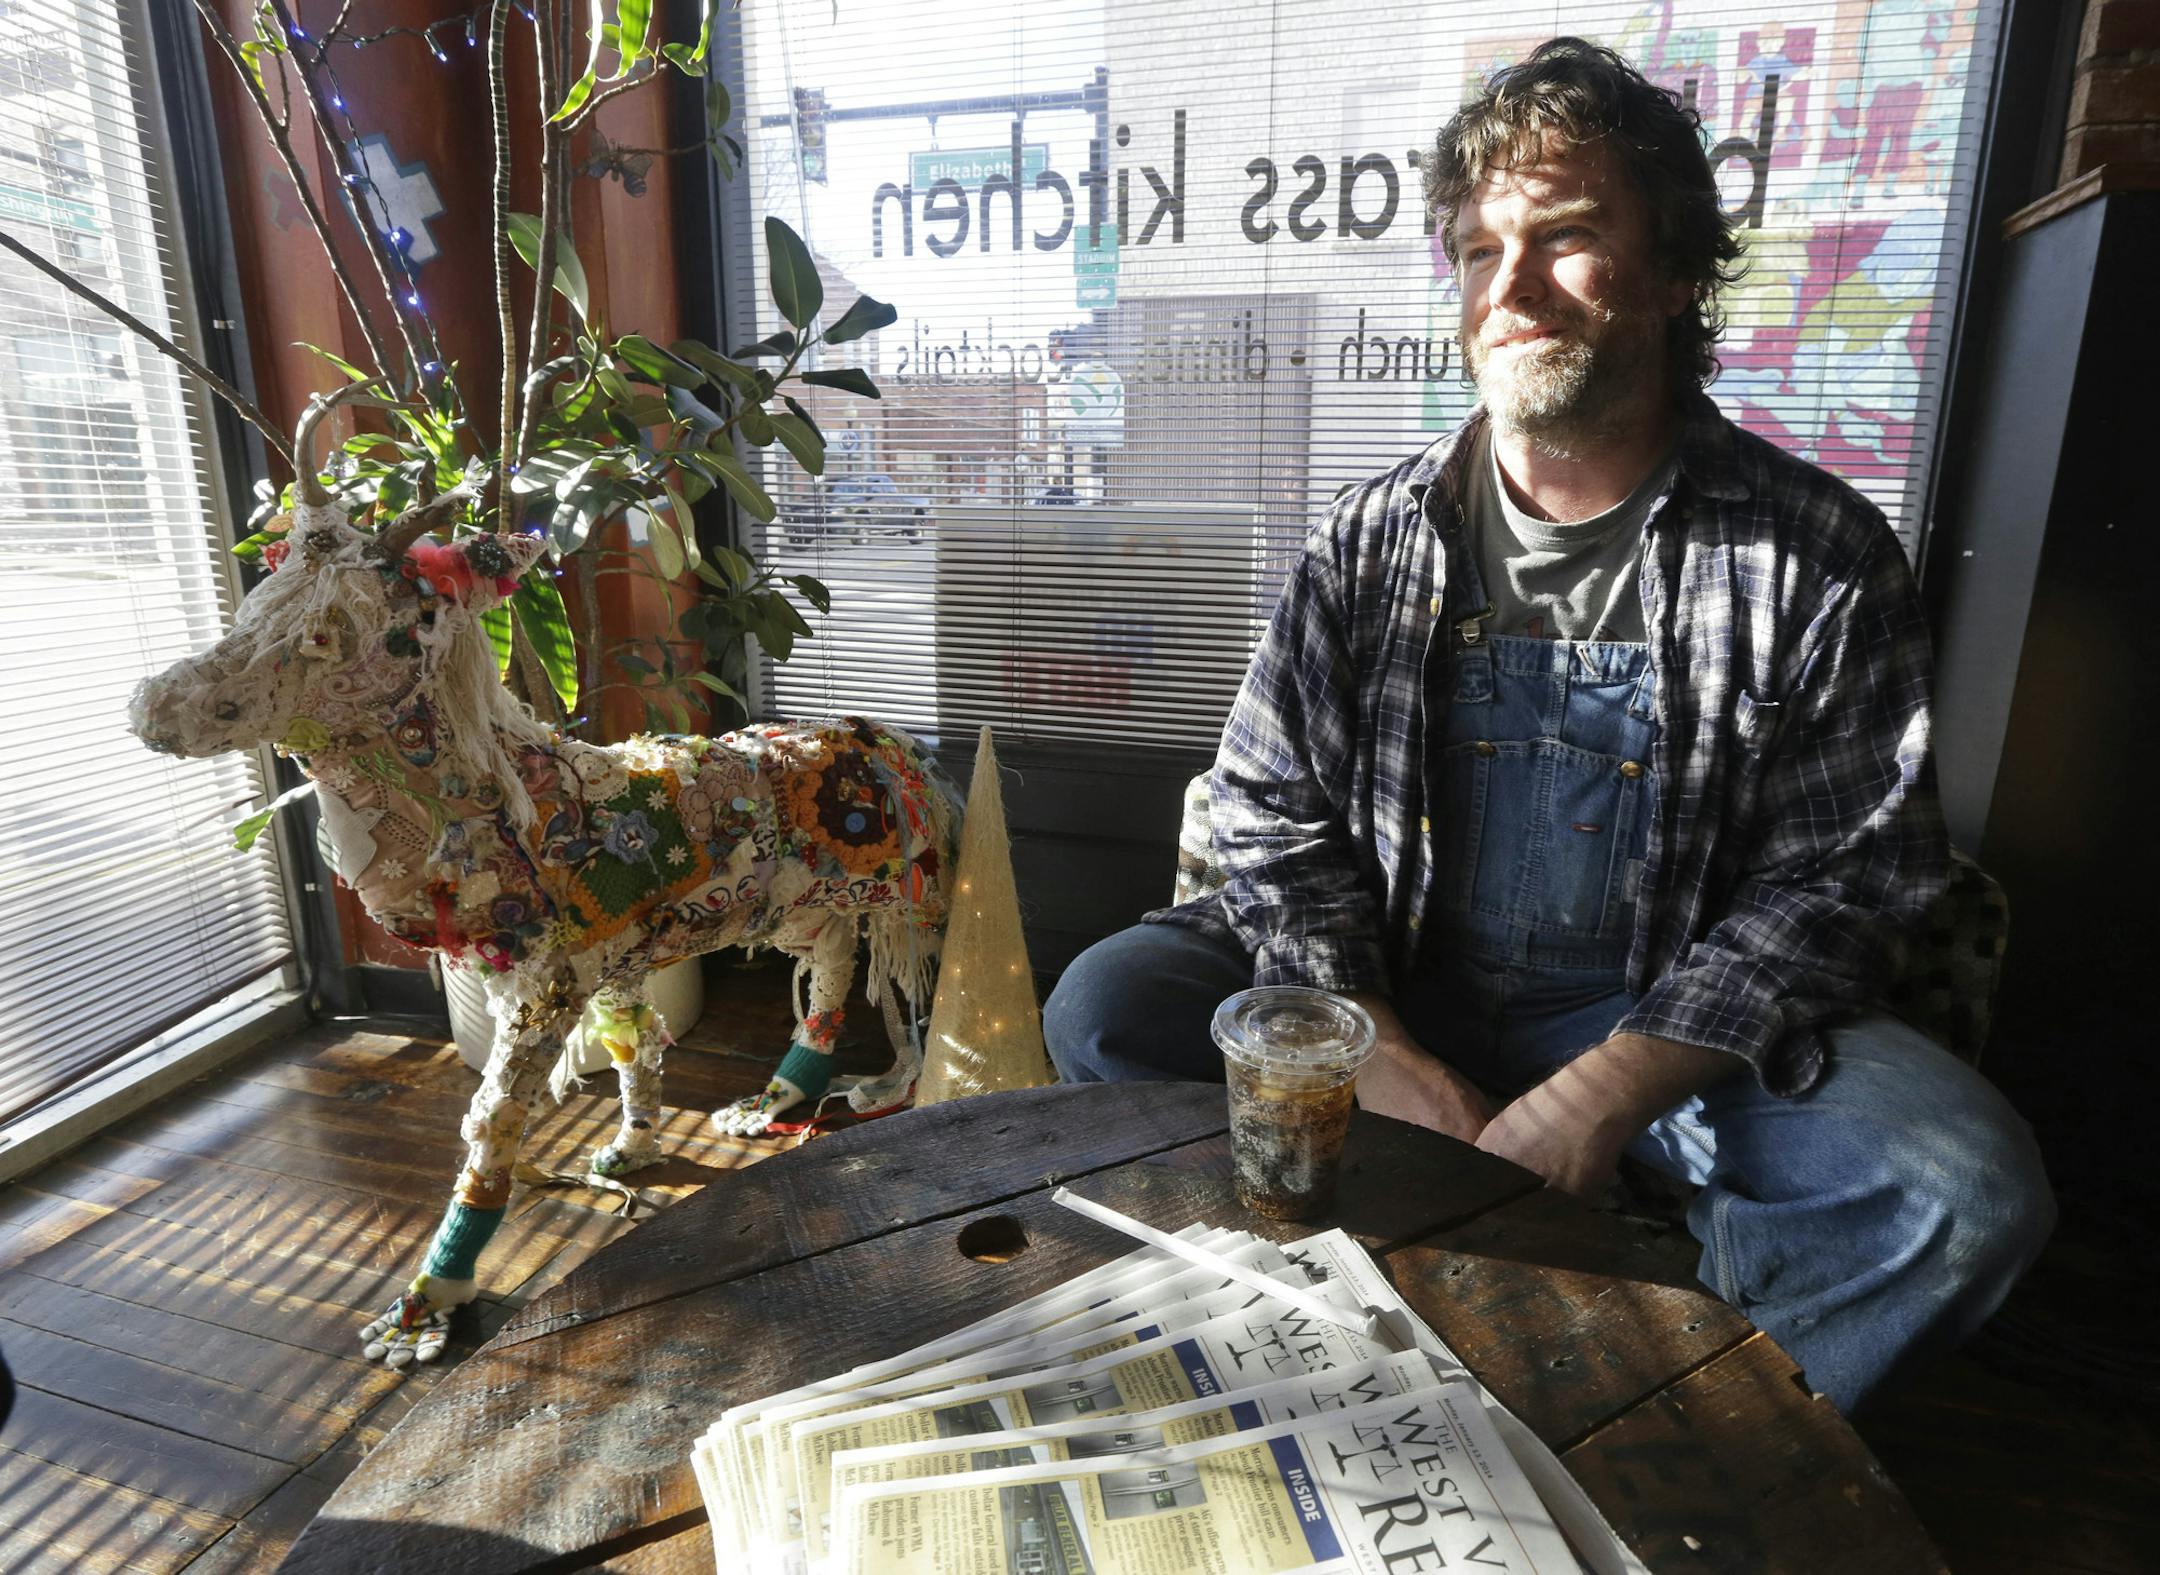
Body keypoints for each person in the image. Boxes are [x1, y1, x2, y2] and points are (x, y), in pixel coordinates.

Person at [1043, 37, 2053, 1415]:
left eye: (1566, 239)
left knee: (1965, 1192)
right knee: (1109, 1009)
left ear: (1680, 272)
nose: (1506, 290)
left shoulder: (1819, 552)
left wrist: (1606, 1093)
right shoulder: (1366, 543)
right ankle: (1318, 1335)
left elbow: (1848, 881)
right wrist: (1373, 1050)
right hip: (1398, 981)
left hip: (1665, 1019)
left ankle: (1674, 1421)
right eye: (1474, 251)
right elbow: (1265, 812)